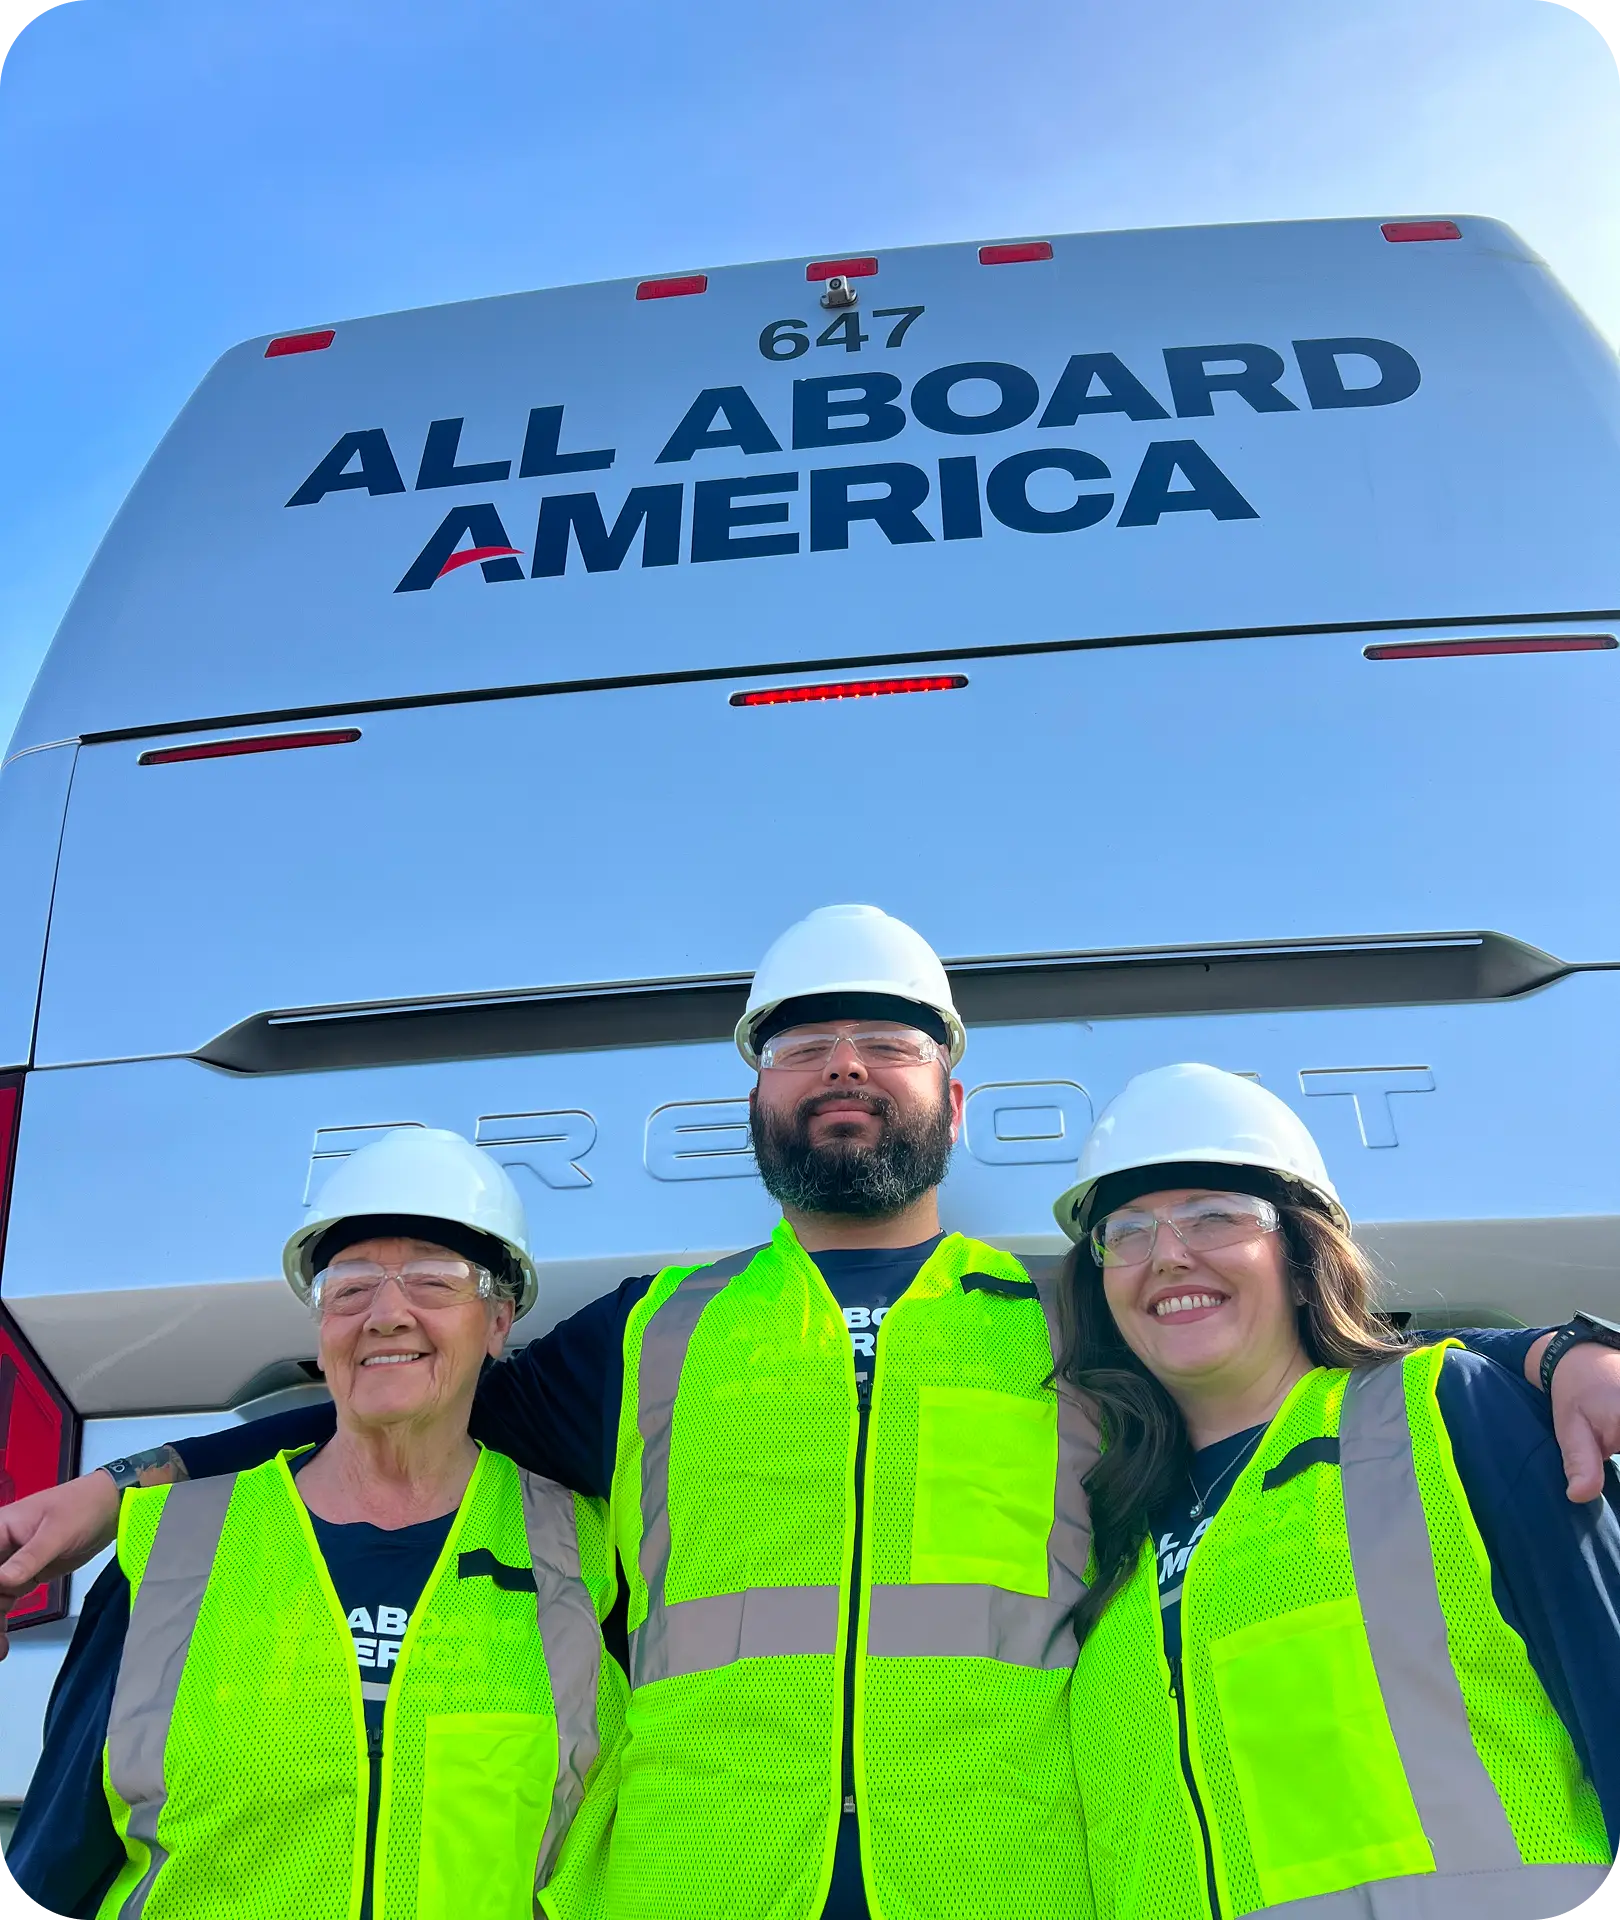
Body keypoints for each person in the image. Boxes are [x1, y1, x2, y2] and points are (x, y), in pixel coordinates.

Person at [6, 908, 1620, 1920]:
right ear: (757, 1105)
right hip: (707, 1876)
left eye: (883, 1045)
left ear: (951, 1101)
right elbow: (403, 1386)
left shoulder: (1082, 1310)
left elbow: (1325, 1379)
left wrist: (1557, 1349)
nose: (843, 1071)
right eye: (803, 1051)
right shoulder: (654, 1333)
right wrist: (136, 1477)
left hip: (1007, 1876)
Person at [4, 1128, 624, 1920]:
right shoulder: (169, 1550)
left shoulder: (585, 1554)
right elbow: (56, 1860)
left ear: (498, 1322)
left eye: (434, 1282)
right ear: (319, 1321)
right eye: (352, 1285)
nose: (387, 1315)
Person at [1051, 1063, 1620, 1920]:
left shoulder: (1446, 1412)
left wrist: (1549, 1348)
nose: (1168, 1256)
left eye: (1214, 1217)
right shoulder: (1108, 1527)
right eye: (1127, 1231)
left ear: (1298, 1247)